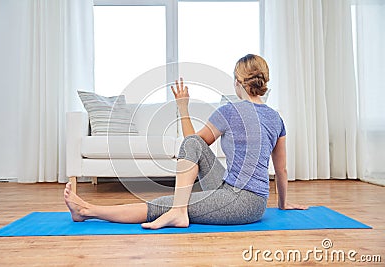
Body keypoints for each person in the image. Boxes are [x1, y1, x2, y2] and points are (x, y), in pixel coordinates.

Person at [63, 54, 308, 230]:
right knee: (192, 147)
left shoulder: (231, 111)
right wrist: (283, 204)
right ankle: (179, 209)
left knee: (163, 205)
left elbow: (191, 142)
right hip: (251, 200)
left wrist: (183, 107)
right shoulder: (276, 118)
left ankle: (86, 211)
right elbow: (280, 169)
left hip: (241, 203)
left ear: (237, 81)